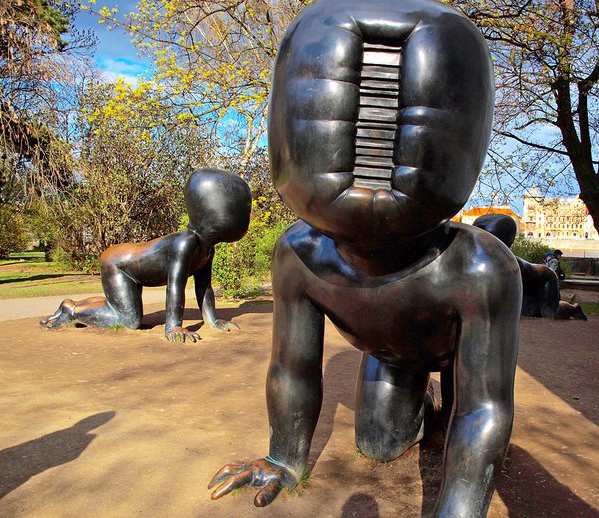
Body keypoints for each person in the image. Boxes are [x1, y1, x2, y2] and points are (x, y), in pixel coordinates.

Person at [207, 1, 521, 516]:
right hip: (390, 352)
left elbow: (487, 405)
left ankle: (444, 406)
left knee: (469, 427)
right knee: (379, 442)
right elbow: (293, 368)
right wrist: (284, 458)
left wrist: (457, 510)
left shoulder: (478, 268)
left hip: (447, 347)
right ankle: (423, 405)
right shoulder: (302, 254)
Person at [40, 168, 251, 342]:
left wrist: (212, 321)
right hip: (120, 265)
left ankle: (91, 304)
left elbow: (203, 287)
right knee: (129, 320)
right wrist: (173, 327)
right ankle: (71, 310)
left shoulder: (207, 248)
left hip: (129, 261)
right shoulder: (185, 243)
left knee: (122, 311)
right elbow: (175, 287)